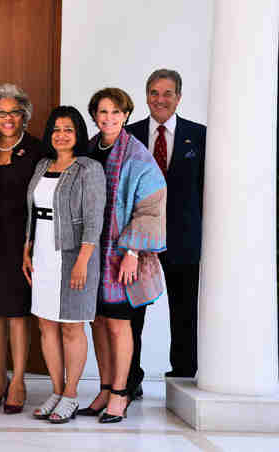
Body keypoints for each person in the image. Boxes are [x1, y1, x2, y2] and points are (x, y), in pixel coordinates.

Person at [79, 88, 167, 424]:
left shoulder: (137, 156)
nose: (109, 118)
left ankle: (120, 393)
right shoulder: (88, 150)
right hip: (92, 252)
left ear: (127, 115)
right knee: (98, 321)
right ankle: (103, 388)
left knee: (119, 323)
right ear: (95, 115)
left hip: (121, 254)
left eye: (116, 112)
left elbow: (150, 206)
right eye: (103, 112)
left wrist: (132, 251)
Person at [23, 106, 106, 423]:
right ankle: (56, 391)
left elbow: (93, 219)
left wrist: (83, 261)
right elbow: (32, 212)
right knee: (46, 324)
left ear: (78, 134)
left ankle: (71, 394)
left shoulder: (89, 168)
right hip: (43, 252)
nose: (61, 135)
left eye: (68, 129)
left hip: (73, 256)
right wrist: (26, 250)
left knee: (72, 326)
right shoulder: (43, 164)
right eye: (56, 129)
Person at [126, 69, 206, 382]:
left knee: (184, 313)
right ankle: (129, 379)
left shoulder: (199, 136)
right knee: (132, 314)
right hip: (138, 242)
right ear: (146, 96)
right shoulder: (128, 135)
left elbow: (207, 191)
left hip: (183, 240)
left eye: (168, 93)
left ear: (179, 98)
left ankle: (183, 378)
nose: (160, 99)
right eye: (155, 93)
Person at [0, 84, 44, 414]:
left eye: (14, 113)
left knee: (18, 313)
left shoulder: (36, 150)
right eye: (1, 112)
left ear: (25, 117)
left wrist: (32, 244)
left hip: (22, 243)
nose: (7, 118)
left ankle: (18, 381)